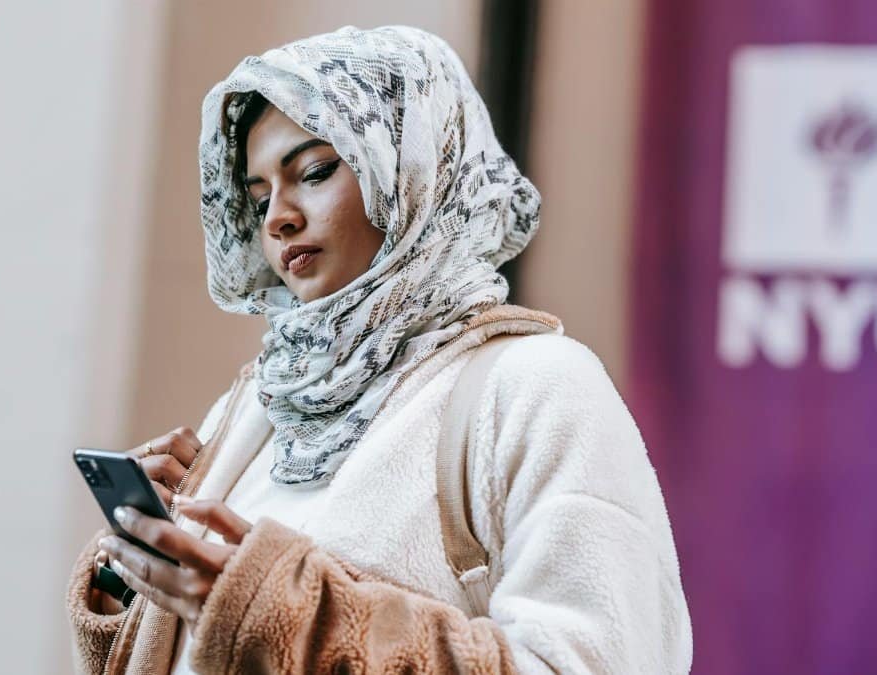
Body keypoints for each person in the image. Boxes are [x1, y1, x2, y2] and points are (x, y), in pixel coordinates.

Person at [66, 25, 692, 674]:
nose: (278, 216)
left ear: (408, 168)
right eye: (257, 198)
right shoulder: (262, 401)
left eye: (313, 171)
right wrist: (138, 573)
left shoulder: (537, 385)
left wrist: (290, 616)